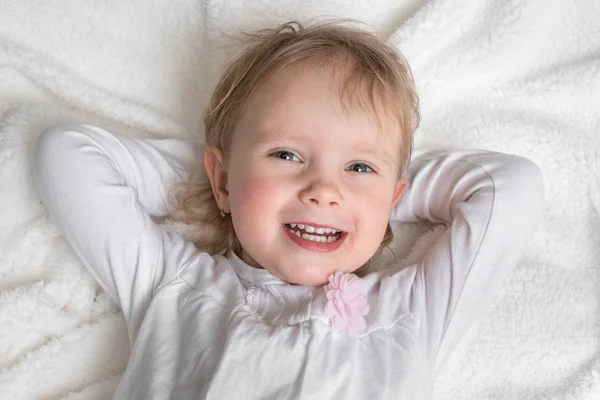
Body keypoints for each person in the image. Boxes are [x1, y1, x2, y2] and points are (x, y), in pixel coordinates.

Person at [33, 20, 544, 399]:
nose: (324, 190)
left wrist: (377, 191)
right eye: (286, 155)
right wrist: (222, 183)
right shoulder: (173, 285)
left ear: (395, 198)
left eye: (357, 167)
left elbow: (510, 188)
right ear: (223, 179)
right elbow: (69, 156)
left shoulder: (410, 312)